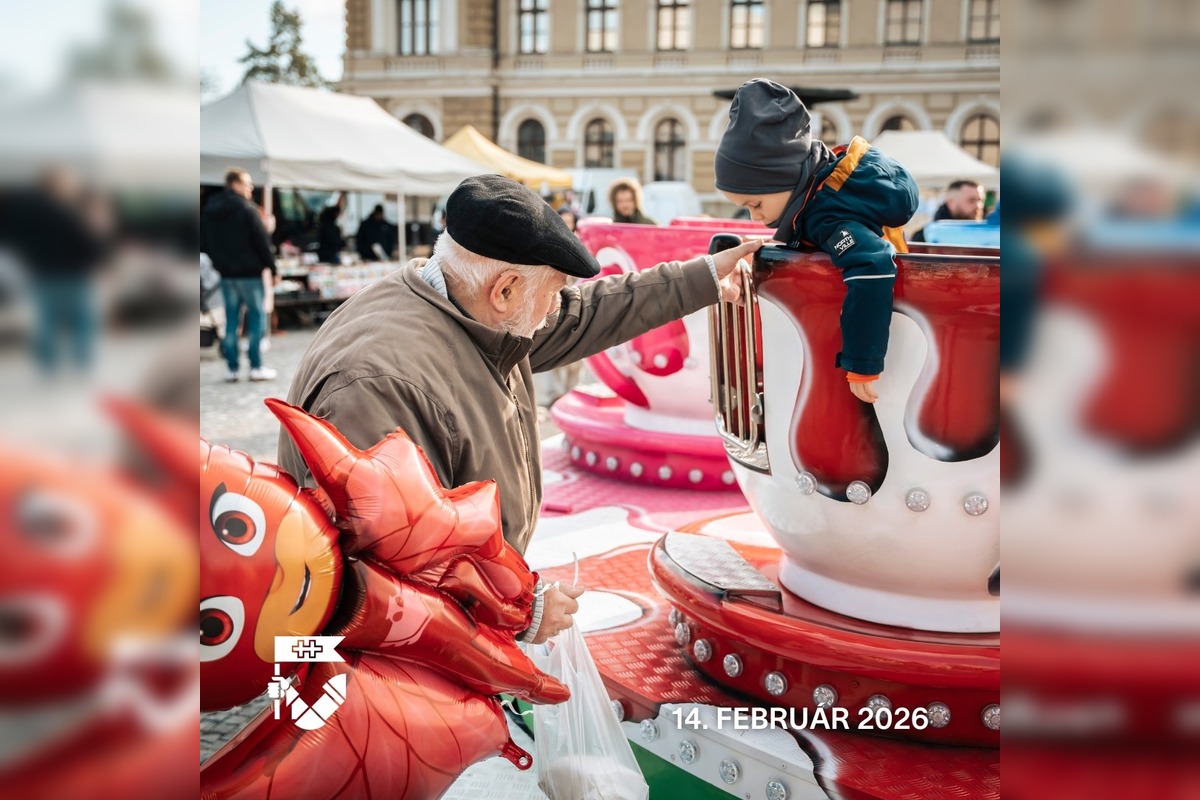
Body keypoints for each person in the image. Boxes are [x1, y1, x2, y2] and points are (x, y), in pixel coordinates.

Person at [280, 175, 761, 643]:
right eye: (551, 293)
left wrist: (703, 278)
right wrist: (516, 611)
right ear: (505, 290)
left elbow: (585, 313)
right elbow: (383, 571)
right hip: (375, 671)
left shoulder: (462, 303)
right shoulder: (380, 384)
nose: (554, 309)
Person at [714, 78, 918, 404]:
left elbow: (873, 266)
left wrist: (861, 362)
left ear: (786, 180)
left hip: (880, 357)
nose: (753, 217)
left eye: (756, 204)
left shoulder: (827, 215)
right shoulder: (815, 198)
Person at [200, 168, 277, 382]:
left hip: (227, 275)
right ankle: (255, 365)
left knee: (232, 321)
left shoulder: (211, 210)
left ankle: (232, 368)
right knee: (256, 319)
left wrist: (219, 263)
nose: (250, 188)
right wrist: (272, 268)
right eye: (247, 183)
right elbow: (262, 242)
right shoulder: (247, 208)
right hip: (250, 274)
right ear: (235, 184)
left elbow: (204, 241)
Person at [910, 180, 986, 242]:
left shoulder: (985, 234)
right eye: (971, 200)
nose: (978, 206)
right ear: (951, 202)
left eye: (980, 201)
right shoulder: (926, 236)